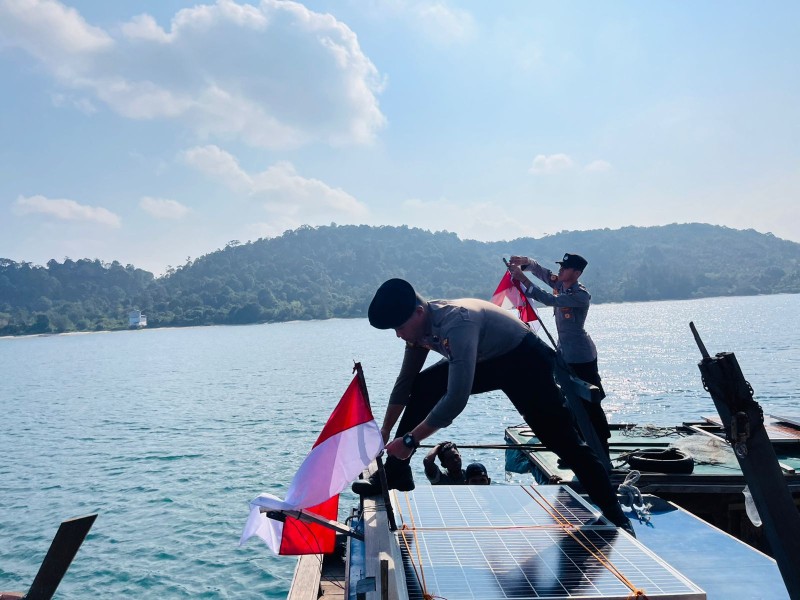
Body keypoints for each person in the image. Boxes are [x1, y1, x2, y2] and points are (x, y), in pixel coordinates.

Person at [352, 278, 633, 535]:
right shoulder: (418, 332)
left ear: (418, 312)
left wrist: (411, 440)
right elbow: (406, 383)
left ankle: (615, 513)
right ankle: (396, 472)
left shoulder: (456, 322)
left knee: (562, 440)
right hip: (488, 358)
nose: (398, 335)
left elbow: (455, 399)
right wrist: (386, 430)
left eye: (399, 327)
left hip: (524, 360)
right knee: (424, 385)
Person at [507, 253, 611, 456]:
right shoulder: (561, 284)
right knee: (570, 402)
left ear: (577, 273)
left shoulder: (579, 295)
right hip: (565, 353)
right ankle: (581, 449)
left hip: (581, 356)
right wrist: (526, 263)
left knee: (591, 404)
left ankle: (602, 448)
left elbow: (547, 299)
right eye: (561, 267)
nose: (561, 270)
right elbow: (543, 273)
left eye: (566, 267)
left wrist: (523, 279)